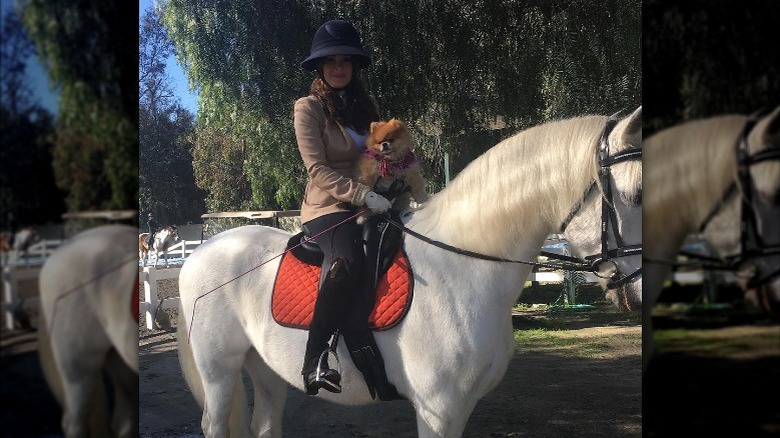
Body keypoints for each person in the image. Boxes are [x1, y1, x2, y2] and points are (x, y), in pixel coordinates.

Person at [294, 19, 393, 395]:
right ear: (320, 67)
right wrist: (363, 196)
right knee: (346, 262)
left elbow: (376, 156)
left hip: (371, 202)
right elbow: (317, 169)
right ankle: (314, 359)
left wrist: (391, 177)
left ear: (354, 67)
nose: (338, 67)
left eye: (345, 61)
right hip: (327, 209)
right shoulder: (308, 108)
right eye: (331, 61)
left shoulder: (365, 109)